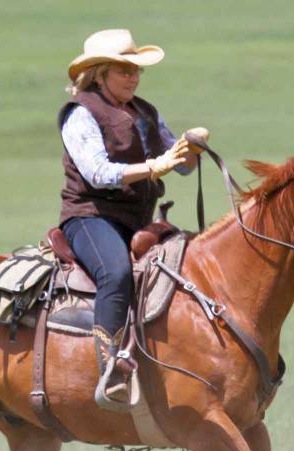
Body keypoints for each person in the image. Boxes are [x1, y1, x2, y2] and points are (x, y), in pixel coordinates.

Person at [57, 29, 205, 408]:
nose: (134, 77)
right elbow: (97, 172)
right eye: (124, 70)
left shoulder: (146, 112)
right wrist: (154, 167)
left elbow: (179, 164)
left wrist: (190, 150)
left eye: (136, 70)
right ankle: (111, 371)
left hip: (137, 219)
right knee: (116, 274)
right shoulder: (80, 114)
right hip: (91, 218)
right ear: (100, 74)